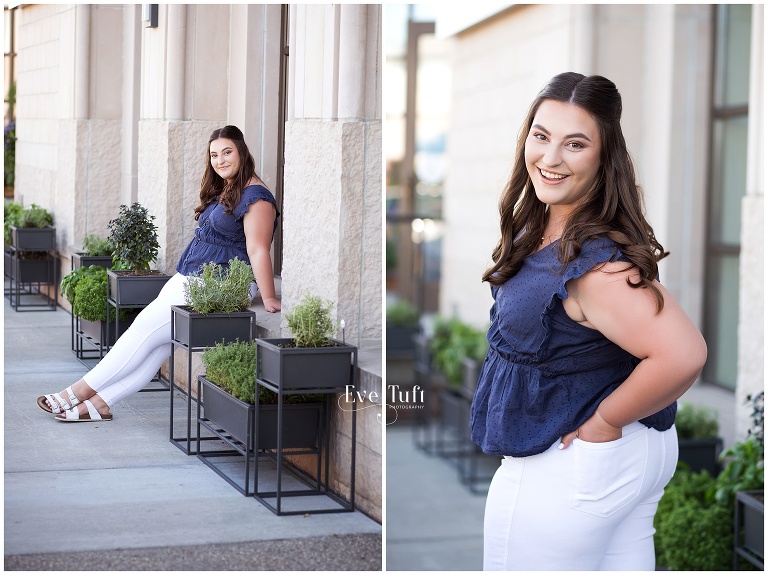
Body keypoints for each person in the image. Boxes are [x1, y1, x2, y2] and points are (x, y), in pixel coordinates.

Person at [469, 73, 707, 571]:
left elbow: (683, 354)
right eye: (541, 136)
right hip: (624, 458)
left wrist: (605, 422)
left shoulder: (593, 266)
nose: (550, 158)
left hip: (574, 463)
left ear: (603, 157)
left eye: (574, 144)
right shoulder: (555, 233)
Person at [37, 125, 281, 423]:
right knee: (157, 346)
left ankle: (72, 394)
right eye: (214, 155)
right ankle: (99, 404)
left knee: (140, 333)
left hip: (216, 283)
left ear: (242, 152)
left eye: (227, 152)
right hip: (191, 277)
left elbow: (258, 250)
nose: (220, 160)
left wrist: (268, 297)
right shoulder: (230, 187)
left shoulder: (257, 197)